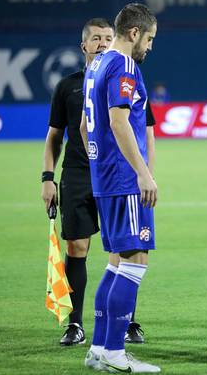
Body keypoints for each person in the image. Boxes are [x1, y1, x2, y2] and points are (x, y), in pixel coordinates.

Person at [41, 18, 152, 346]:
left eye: (108, 37)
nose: (103, 43)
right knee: (88, 248)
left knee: (120, 251)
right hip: (86, 175)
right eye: (97, 39)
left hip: (104, 172)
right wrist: (48, 177)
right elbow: (57, 136)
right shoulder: (76, 84)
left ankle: (124, 323)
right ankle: (78, 325)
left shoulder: (105, 75)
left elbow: (140, 127)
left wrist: (145, 169)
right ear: (84, 46)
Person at [80, 3, 160, 373]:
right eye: (149, 38)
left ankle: (99, 347)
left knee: (114, 263)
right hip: (125, 181)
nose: (150, 46)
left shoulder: (95, 65)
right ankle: (114, 351)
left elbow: (84, 127)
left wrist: (101, 165)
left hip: (104, 179)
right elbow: (118, 121)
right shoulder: (124, 65)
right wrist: (142, 173)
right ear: (134, 33)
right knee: (134, 261)